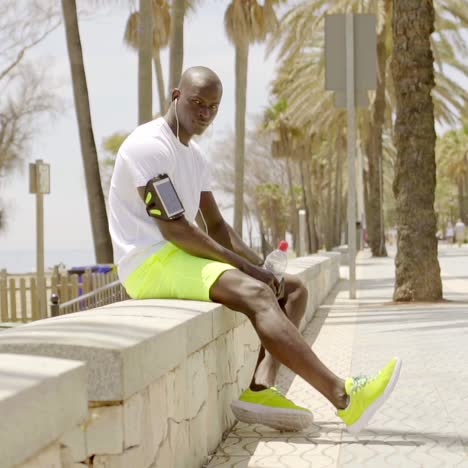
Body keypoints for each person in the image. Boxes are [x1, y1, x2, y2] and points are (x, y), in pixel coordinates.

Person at [108, 66, 401, 434]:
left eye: (213, 107)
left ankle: (261, 388)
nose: (204, 113)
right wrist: (250, 273)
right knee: (257, 292)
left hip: (177, 255)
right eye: (197, 103)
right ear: (175, 95)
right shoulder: (148, 145)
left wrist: (263, 266)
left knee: (291, 288)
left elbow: (217, 226)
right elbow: (176, 229)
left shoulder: (194, 156)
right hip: (148, 262)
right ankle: (344, 397)